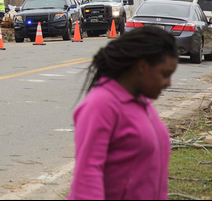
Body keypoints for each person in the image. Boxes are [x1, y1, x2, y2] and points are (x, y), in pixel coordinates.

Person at [69, 26, 179, 200]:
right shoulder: (101, 105)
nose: (168, 84)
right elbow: (87, 176)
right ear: (142, 66)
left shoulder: (144, 105)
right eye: (165, 74)